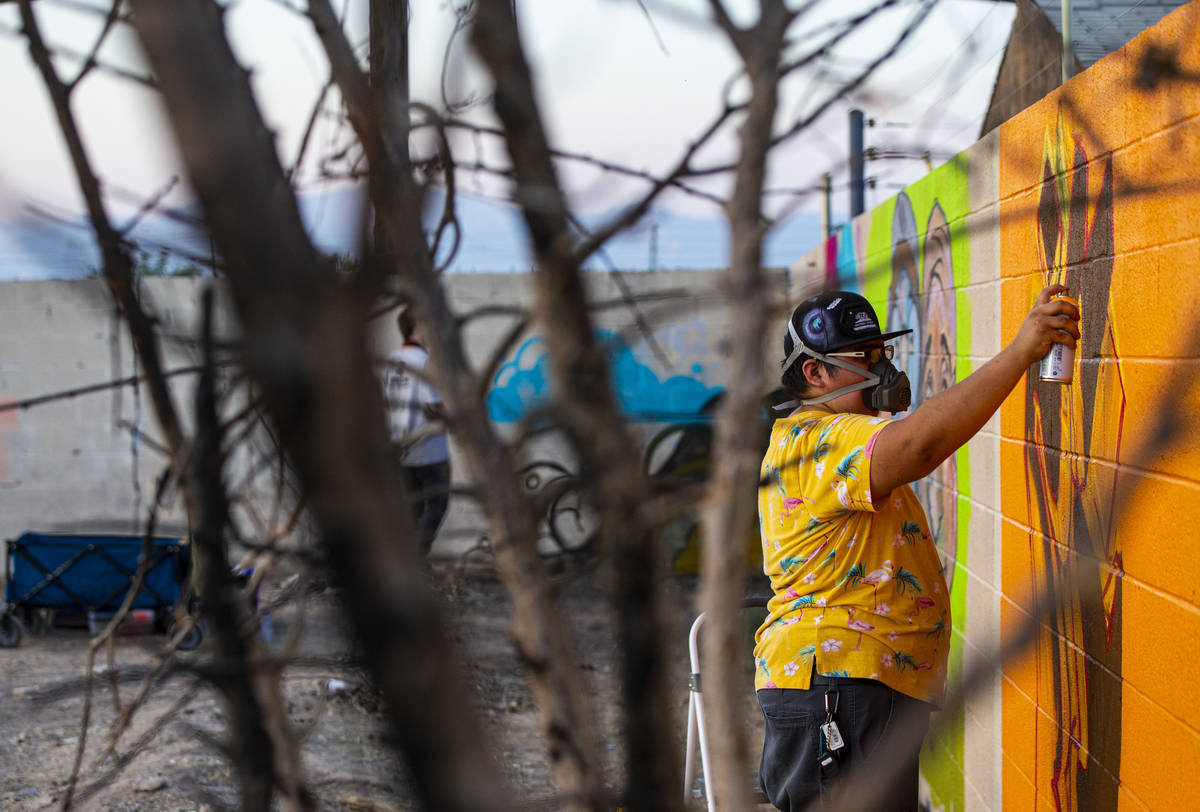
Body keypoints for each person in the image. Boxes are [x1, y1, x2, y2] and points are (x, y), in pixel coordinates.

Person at [754, 285, 1079, 811]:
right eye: (862, 358)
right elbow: (920, 444)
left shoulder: (844, 437)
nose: (882, 369)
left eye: (882, 354)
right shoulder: (814, 441)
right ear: (814, 374)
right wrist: (1022, 351)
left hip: (856, 689)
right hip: (837, 688)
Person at [382, 308, 451, 557]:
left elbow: (386, 402)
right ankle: (415, 557)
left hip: (401, 445)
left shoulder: (391, 360)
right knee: (438, 502)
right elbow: (433, 407)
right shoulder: (426, 362)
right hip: (429, 447)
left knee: (413, 508)